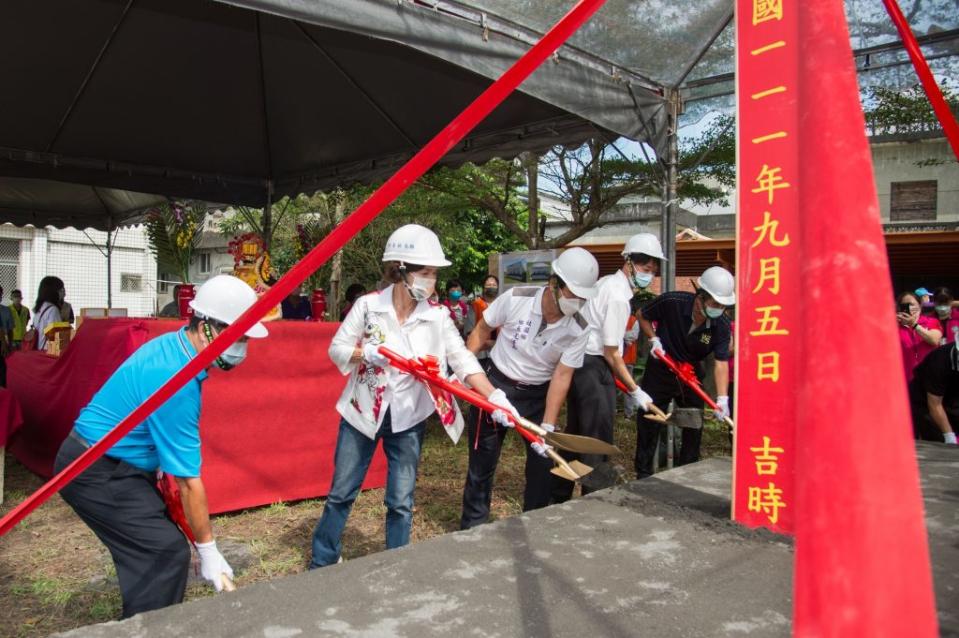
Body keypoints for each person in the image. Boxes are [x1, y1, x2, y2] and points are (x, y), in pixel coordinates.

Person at [53, 275, 268, 618]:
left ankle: (142, 618)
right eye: (238, 335)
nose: (243, 346)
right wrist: (209, 549)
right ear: (206, 327)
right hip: (95, 469)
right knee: (163, 552)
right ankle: (146, 628)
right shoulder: (176, 378)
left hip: (111, 464)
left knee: (153, 548)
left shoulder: (176, 346)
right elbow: (186, 480)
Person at [310, 224, 517, 567]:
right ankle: (323, 559)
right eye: (425, 273)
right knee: (341, 493)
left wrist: (494, 395)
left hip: (408, 418)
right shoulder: (368, 307)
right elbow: (338, 348)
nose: (431, 281)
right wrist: (367, 354)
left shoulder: (436, 316)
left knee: (401, 500)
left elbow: (462, 360)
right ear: (400, 270)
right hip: (362, 413)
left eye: (435, 274)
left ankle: (396, 565)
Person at [460, 248, 599, 529]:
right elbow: (481, 330)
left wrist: (547, 426)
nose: (578, 302)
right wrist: (463, 372)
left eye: (583, 297)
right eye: (573, 294)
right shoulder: (516, 298)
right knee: (482, 463)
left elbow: (562, 374)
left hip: (537, 395)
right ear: (554, 284)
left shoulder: (580, 326)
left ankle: (532, 524)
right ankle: (472, 528)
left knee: (541, 467)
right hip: (495, 385)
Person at [551, 233, 661, 504]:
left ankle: (558, 494)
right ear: (629, 263)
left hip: (581, 365)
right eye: (645, 269)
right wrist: (636, 390)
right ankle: (593, 500)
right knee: (596, 439)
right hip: (593, 366)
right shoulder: (618, 297)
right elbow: (612, 353)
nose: (649, 275)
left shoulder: (607, 284)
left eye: (652, 271)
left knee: (576, 432)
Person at [634, 266, 734, 478]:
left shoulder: (721, 324)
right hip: (662, 366)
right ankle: (642, 474)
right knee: (648, 420)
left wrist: (723, 398)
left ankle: (687, 473)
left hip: (691, 373)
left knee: (693, 423)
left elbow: (721, 362)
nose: (719, 309)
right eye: (715, 303)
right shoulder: (673, 302)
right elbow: (642, 314)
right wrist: (654, 339)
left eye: (723, 306)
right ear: (700, 297)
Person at [909, 342, 959, 445]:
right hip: (926, 401)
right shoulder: (940, 361)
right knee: (939, 440)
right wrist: (949, 436)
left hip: (951, 397)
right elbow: (934, 404)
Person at [897, 291, 942, 383]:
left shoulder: (931, 321)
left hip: (930, 377)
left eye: (912, 304)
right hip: (905, 378)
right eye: (904, 305)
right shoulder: (895, 325)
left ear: (920, 306)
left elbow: (934, 340)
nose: (909, 307)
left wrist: (914, 325)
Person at [466, 275, 500, 359]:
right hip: (480, 354)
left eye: (494, 285)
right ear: (483, 288)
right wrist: (486, 343)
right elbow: (468, 332)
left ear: (498, 288)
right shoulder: (475, 305)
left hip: (499, 354)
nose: (491, 287)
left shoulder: (502, 305)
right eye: (488, 285)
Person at [622, 298, 642, 418]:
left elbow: (632, 336)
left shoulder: (634, 320)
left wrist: (619, 334)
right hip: (615, 359)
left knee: (628, 386)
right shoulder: (617, 318)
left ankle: (628, 413)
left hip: (628, 358)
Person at [32, 276, 64, 350]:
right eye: (61, 290)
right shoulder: (53, 310)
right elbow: (56, 339)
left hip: (38, 350)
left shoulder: (40, 307)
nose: (64, 293)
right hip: (48, 352)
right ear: (54, 292)